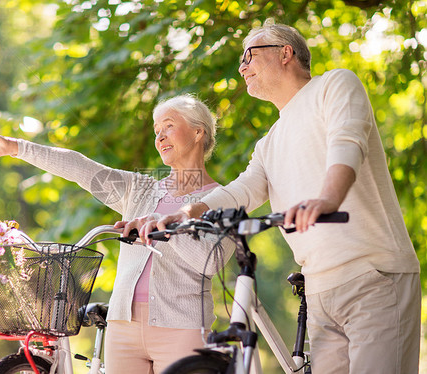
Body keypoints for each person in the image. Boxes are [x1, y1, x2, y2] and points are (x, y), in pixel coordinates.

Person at [142, 22, 421, 373]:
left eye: (249, 56)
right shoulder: (269, 142)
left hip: (372, 274)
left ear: (285, 53)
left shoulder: (334, 84)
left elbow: (347, 142)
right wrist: (188, 212)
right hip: (319, 289)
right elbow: (242, 190)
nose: (242, 67)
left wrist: (327, 199)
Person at [0, 94, 234, 374]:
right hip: (123, 329)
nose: (159, 137)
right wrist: (16, 147)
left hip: (183, 327)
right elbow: (81, 168)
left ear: (198, 131)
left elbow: (212, 261)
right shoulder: (140, 189)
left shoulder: (222, 199)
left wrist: (167, 226)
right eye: (157, 130)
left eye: (168, 126)